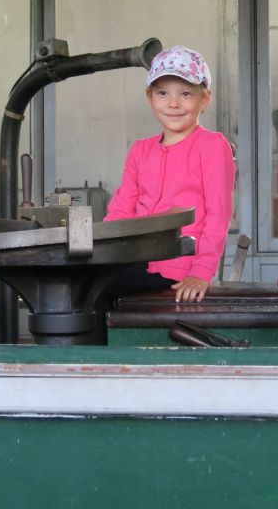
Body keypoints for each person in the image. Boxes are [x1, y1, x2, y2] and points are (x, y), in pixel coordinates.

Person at [94, 45, 236, 338]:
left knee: (92, 291)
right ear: (150, 98)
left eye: (185, 93)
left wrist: (201, 272)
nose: (173, 103)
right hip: (135, 259)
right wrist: (101, 254)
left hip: (177, 267)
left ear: (204, 98)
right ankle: (86, 360)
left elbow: (218, 215)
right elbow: (121, 210)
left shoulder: (212, 146)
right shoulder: (140, 150)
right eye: (162, 93)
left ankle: (96, 361)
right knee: (83, 282)